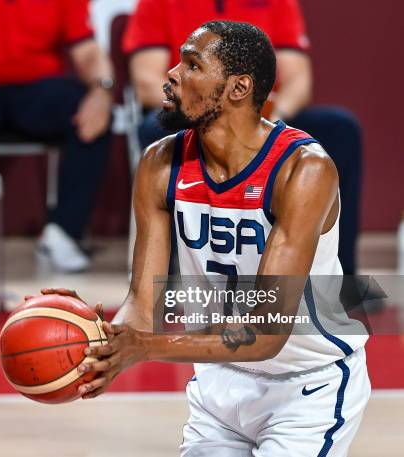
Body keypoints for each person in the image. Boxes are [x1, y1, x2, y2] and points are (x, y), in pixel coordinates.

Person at [49, 21, 370, 455]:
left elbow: (265, 332)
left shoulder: (303, 170)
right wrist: (98, 336)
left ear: (238, 88)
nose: (172, 74)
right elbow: (143, 307)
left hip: (307, 386)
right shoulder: (159, 163)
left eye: (192, 64)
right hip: (220, 381)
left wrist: (144, 348)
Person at [123, 0, 362, 275]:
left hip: (262, 110)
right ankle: (168, 270)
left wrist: (269, 121)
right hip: (194, 108)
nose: (173, 71)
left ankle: (343, 274)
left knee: (341, 128)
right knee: (154, 131)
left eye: (190, 65)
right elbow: (146, 82)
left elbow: (299, 79)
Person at [0, 0, 114, 274]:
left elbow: (87, 51)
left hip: (37, 87)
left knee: (95, 115)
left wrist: (102, 90)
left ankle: (64, 233)